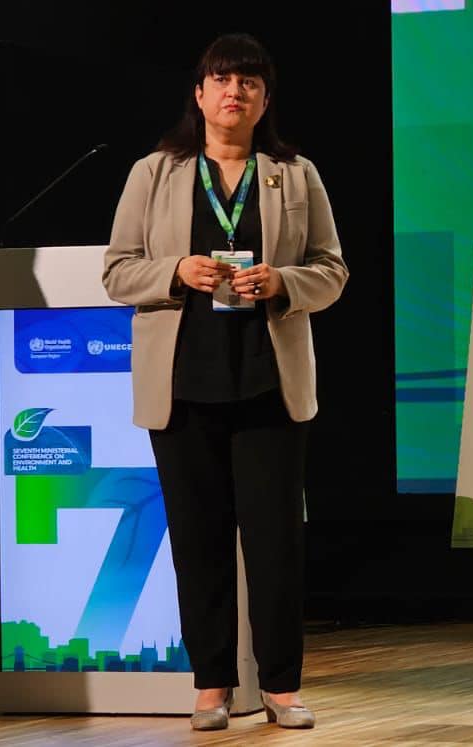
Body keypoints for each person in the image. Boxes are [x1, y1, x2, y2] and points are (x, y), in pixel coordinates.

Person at [101, 33, 347, 731]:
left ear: (264, 100)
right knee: (197, 542)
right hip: (182, 386)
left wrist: (284, 281)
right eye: (222, 79)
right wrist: (175, 271)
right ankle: (210, 684)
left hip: (270, 384)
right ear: (199, 94)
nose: (234, 91)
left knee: (276, 546)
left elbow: (332, 269)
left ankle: (281, 686)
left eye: (249, 82)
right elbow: (117, 270)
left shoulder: (295, 174)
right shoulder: (155, 172)